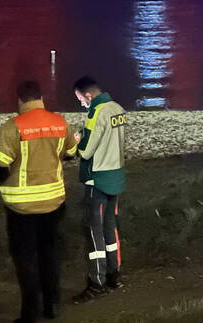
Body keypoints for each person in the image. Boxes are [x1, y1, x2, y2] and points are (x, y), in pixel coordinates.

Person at [0, 81, 77, 323]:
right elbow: (70, 153)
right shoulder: (59, 122)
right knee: (49, 255)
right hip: (53, 203)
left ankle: (30, 312)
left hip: (21, 208)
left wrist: (4, 180)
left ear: (20, 100)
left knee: (26, 260)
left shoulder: (13, 127)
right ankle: (52, 305)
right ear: (41, 97)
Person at [71, 76, 127, 304]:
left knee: (94, 232)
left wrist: (76, 140)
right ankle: (115, 275)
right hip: (116, 176)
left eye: (81, 100)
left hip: (98, 180)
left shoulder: (97, 113)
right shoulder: (118, 109)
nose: (82, 105)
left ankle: (96, 283)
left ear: (89, 95)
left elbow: (85, 151)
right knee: (111, 229)